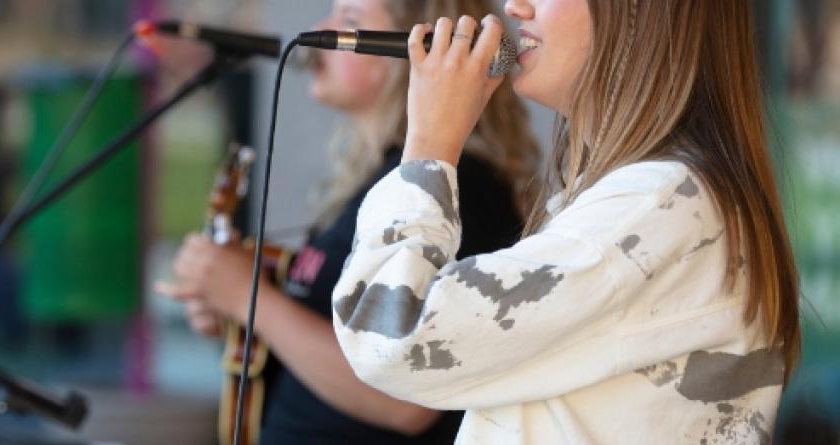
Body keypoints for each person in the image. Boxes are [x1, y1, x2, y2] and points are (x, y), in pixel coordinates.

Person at [329, 1, 801, 443]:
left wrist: (430, 143)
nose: (514, 6)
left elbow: (389, 332)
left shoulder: (656, 208)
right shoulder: (659, 201)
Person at [155, 0, 539, 443]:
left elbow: (405, 403)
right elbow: (331, 352)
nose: (321, 29)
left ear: (421, 51)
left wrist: (251, 300)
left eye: (350, 21)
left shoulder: (457, 188)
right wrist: (239, 316)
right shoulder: (383, 184)